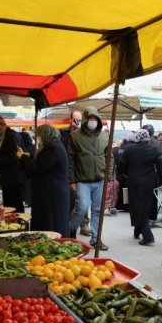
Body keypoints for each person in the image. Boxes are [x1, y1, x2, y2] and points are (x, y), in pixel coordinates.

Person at [67, 106, 110, 250]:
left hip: (100, 179)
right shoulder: (75, 136)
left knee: (98, 210)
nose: (92, 121)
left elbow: (109, 156)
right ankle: (72, 230)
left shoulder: (104, 136)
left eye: (95, 119)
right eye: (90, 118)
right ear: (85, 120)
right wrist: (72, 180)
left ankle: (96, 239)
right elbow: (71, 159)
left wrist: (108, 175)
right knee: (82, 206)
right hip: (82, 180)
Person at [118, 129, 162, 245]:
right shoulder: (154, 149)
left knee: (137, 207)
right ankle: (138, 230)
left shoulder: (129, 149)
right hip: (150, 182)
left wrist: (122, 175)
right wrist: (161, 182)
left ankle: (148, 236)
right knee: (146, 207)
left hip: (134, 182)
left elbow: (121, 165)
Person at [18, 124, 70, 236]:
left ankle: (52, 240)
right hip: (51, 192)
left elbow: (37, 167)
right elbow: (43, 161)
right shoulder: (53, 145)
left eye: (40, 135)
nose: (38, 138)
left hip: (51, 193)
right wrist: (30, 155)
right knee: (50, 219)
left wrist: (22, 156)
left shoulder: (52, 148)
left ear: (46, 134)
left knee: (50, 221)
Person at [60, 110, 91, 236]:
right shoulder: (63, 133)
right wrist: (73, 133)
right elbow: (62, 147)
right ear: (70, 119)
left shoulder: (85, 133)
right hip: (68, 169)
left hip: (82, 169)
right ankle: (68, 223)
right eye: (75, 120)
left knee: (83, 198)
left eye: (80, 120)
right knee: (71, 197)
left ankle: (84, 224)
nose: (77, 122)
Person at [0, 115, 26, 212]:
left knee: (15, 207)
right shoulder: (4, 136)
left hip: (14, 179)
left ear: (2, 125)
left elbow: (13, 156)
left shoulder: (12, 136)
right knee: (8, 207)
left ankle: (20, 226)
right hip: (8, 179)